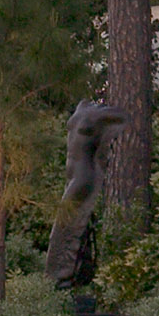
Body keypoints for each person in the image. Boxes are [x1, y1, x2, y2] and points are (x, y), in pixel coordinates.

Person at [45, 94, 117, 291]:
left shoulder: (94, 114)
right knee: (66, 227)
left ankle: (61, 280)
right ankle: (60, 280)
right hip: (77, 176)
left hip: (83, 176)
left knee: (69, 227)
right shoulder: (85, 109)